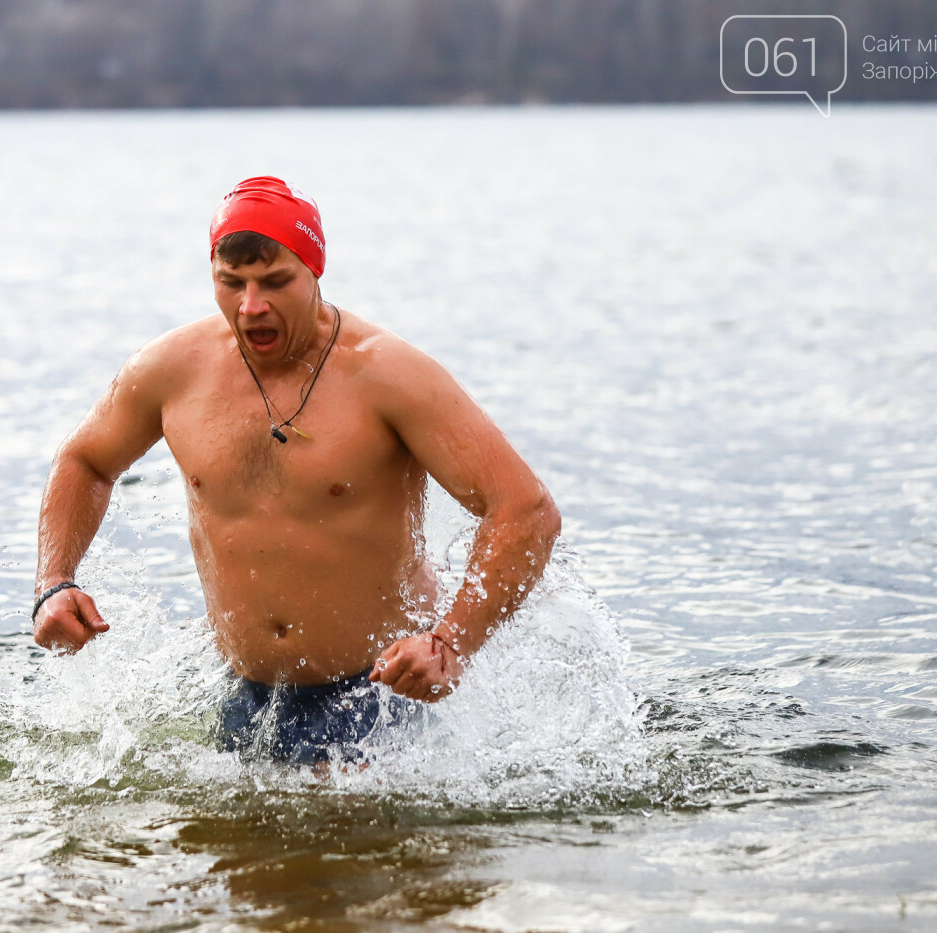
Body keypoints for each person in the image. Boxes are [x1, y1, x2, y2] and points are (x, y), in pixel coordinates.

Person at [32, 176, 560, 765]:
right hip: (249, 699)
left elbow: (525, 509)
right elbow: (84, 460)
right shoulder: (172, 370)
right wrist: (55, 583)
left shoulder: (388, 375)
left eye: (275, 282)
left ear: (314, 273)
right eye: (230, 284)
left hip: (381, 697)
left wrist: (450, 644)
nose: (250, 305)